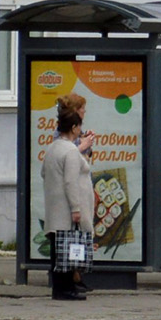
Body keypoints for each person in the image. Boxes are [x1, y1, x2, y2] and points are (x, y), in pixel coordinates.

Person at [42, 101, 95, 301]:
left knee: (57, 252)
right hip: (66, 209)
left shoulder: (53, 148)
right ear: (73, 128)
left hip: (54, 207)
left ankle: (61, 288)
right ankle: (66, 289)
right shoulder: (71, 151)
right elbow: (70, 181)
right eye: (79, 126)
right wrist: (76, 208)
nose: (80, 130)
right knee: (67, 249)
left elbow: (44, 173)